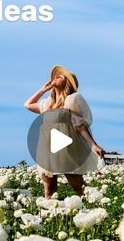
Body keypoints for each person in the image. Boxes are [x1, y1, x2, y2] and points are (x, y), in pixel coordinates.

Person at [24, 65, 104, 198]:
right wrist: (43, 90)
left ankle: (92, 208)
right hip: (46, 148)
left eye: (60, 76)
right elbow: (27, 104)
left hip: (65, 146)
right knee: (49, 189)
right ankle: (49, 216)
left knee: (79, 187)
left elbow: (79, 125)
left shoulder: (71, 100)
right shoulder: (47, 104)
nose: (55, 77)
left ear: (67, 82)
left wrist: (93, 144)